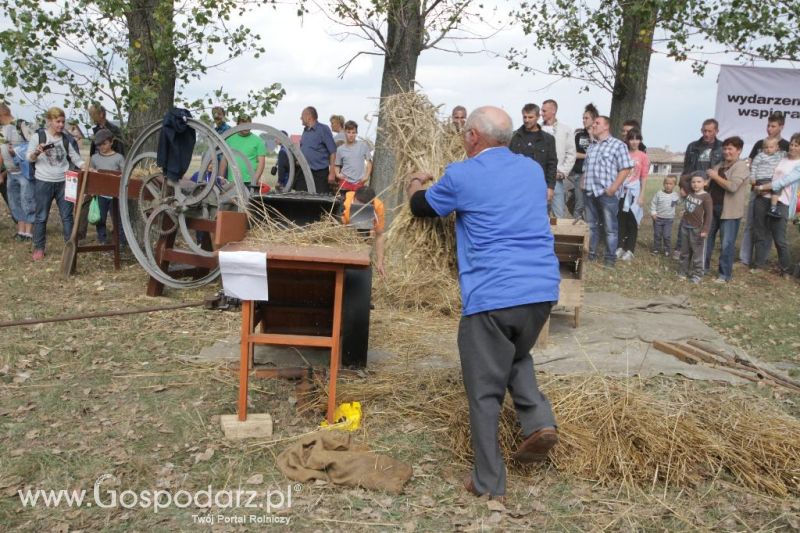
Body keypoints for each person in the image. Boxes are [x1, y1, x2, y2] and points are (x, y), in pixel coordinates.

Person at [405, 106, 560, 500]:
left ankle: (489, 482)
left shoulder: (462, 173)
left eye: (465, 134)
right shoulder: (530, 170)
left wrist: (415, 185)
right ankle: (538, 419)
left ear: (474, 136)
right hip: (541, 290)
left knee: (483, 391)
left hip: (493, 294)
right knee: (512, 354)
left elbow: (423, 207)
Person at [26, 107, 85, 261]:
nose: (60, 125)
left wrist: (86, 166)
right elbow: (29, 158)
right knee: (41, 216)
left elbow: (76, 158)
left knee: (67, 217)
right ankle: (39, 248)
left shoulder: (66, 139)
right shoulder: (38, 137)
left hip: (64, 182)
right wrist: (37, 152)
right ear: (49, 121)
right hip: (43, 181)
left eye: (63, 122)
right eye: (57, 121)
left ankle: (70, 247)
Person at [582, 115, 634, 267]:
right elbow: (586, 168)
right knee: (591, 225)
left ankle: (609, 259)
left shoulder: (618, 145)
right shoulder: (592, 146)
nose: (594, 125)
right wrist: (583, 184)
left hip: (607, 194)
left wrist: (613, 188)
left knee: (610, 228)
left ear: (606, 126)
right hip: (590, 192)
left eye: (597, 123)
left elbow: (625, 168)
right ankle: (591, 255)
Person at [740, 112, 791, 266]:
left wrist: (772, 187)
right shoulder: (759, 144)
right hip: (757, 190)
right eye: (768, 125)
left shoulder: (786, 147)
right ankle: (744, 259)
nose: (769, 129)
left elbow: (787, 170)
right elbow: (750, 163)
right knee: (751, 225)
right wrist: (754, 184)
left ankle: (761, 259)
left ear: (781, 126)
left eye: (773, 126)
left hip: (774, 193)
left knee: (767, 227)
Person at [751, 133, 800, 276]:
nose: (792, 147)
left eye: (797, 145)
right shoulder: (781, 158)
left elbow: (783, 182)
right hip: (763, 198)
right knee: (760, 232)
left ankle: (785, 269)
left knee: (779, 238)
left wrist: (761, 187)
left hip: (781, 201)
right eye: (791, 144)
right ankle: (759, 264)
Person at [704, 136, 750, 283]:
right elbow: (709, 183)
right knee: (706, 240)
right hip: (713, 209)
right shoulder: (720, 165)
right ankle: (702, 268)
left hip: (729, 212)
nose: (726, 152)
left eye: (730, 149)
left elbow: (732, 187)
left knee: (726, 244)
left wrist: (715, 176)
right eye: (725, 148)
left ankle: (724, 275)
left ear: (739, 150)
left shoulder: (741, 166)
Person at [675, 118, 723, 259]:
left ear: (716, 131)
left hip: (710, 190)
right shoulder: (693, 146)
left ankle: (699, 248)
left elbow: (720, 170)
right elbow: (686, 168)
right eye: (704, 131)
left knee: (706, 218)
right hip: (692, 187)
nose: (706, 134)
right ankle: (680, 247)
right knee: (688, 215)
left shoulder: (721, 148)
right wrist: (682, 187)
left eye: (710, 131)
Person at [509, 103, 557, 201]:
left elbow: (552, 164)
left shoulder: (548, 139)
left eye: (530, 117)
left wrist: (550, 187)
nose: (527, 120)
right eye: (524, 117)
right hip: (517, 187)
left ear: (538, 117)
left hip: (539, 187)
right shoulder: (513, 137)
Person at [0, 104, 34, 241]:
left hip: (23, 172)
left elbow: (33, 146)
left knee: (27, 201)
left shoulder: (21, 125)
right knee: (14, 203)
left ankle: (29, 232)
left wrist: (17, 151)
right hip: (10, 172)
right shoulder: (2, 129)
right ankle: (21, 231)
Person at [616, 128, 650, 261]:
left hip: (634, 192)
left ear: (640, 140)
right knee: (621, 220)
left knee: (632, 221)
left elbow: (644, 177)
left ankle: (630, 249)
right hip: (622, 191)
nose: (634, 142)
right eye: (631, 138)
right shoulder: (623, 154)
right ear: (627, 140)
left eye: (637, 139)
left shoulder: (643, 156)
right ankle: (620, 246)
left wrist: (641, 195)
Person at [87, 128, 125, 244]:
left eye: (104, 144)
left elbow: (124, 174)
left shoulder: (118, 157)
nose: (101, 147)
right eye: (99, 145)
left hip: (115, 194)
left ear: (111, 142)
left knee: (118, 219)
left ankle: (121, 241)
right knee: (101, 218)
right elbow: (91, 174)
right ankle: (102, 239)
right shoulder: (94, 158)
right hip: (100, 194)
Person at [541, 99, 576, 218]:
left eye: (544, 110)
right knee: (540, 214)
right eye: (541, 110)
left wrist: (563, 172)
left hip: (556, 179)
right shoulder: (537, 130)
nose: (541, 113)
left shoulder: (565, 130)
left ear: (553, 110)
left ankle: (558, 237)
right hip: (539, 179)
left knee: (558, 215)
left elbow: (571, 153)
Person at [341, 186, 385, 276]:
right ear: (354, 198)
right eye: (359, 204)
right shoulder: (344, 201)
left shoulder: (378, 206)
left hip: (362, 239)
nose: (361, 208)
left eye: (365, 206)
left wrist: (380, 262)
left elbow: (379, 235)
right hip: (342, 236)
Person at [678, 173, 713, 283]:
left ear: (705, 183)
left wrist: (705, 229)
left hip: (697, 229)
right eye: (693, 182)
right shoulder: (690, 191)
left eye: (699, 182)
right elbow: (683, 179)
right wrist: (696, 173)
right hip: (685, 226)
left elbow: (709, 215)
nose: (695, 184)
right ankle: (683, 271)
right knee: (684, 251)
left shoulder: (706, 197)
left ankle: (698, 274)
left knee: (698, 253)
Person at [295, 106, 337, 194]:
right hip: (305, 171)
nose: (300, 118)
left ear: (309, 116)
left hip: (319, 173)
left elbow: (332, 151)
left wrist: (332, 172)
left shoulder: (323, 129)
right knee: (300, 195)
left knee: (319, 198)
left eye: (302, 116)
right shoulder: (305, 131)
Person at [220, 115, 267, 192]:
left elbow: (261, 164)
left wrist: (254, 180)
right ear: (237, 125)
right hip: (232, 181)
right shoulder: (229, 140)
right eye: (243, 124)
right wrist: (221, 177)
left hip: (250, 182)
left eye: (248, 124)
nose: (246, 127)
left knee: (248, 203)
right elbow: (224, 160)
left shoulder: (258, 141)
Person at [568, 103, 598, 221]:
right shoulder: (579, 135)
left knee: (592, 206)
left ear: (594, 120)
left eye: (586, 118)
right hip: (579, 174)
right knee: (579, 205)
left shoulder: (599, 136)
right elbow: (573, 153)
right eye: (583, 118)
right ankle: (577, 234)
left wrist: (591, 135)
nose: (584, 120)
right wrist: (588, 155)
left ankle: (592, 234)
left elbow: (599, 153)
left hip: (594, 177)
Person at [334, 120, 372, 194]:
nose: (351, 135)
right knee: (344, 204)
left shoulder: (363, 146)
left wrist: (366, 176)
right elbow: (337, 165)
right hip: (345, 183)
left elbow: (369, 162)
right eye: (348, 132)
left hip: (359, 182)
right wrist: (338, 174)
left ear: (356, 133)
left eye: (353, 132)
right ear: (345, 132)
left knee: (357, 205)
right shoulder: (340, 149)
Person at [650, 176, 680, 256]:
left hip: (668, 220)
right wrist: (653, 212)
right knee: (657, 234)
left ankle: (667, 249)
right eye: (666, 183)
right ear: (663, 184)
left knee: (666, 235)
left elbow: (679, 202)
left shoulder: (675, 195)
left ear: (674, 185)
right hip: (658, 218)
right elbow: (653, 203)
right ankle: (656, 249)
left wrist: (682, 196)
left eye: (671, 184)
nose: (668, 185)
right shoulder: (659, 193)